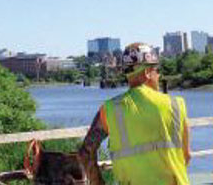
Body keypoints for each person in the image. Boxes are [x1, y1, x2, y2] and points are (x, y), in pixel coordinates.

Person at [78, 43, 190, 185]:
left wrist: (98, 182)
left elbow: (85, 152)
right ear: (147, 72)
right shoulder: (176, 105)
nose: (159, 75)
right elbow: (186, 155)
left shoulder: (110, 109)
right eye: (156, 70)